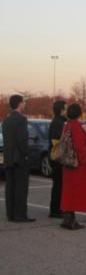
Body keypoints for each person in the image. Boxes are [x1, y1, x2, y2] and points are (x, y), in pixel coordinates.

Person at [2, 95, 34, 223]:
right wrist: (27, 153)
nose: (24, 104)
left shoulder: (7, 120)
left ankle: (11, 214)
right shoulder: (21, 119)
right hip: (19, 158)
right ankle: (20, 214)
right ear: (19, 104)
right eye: (24, 102)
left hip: (9, 157)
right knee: (21, 187)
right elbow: (22, 140)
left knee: (10, 186)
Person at [61, 104, 86, 229]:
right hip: (77, 165)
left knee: (68, 191)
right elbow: (79, 147)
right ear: (79, 113)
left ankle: (68, 218)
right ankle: (70, 220)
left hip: (68, 163)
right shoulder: (76, 127)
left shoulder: (67, 125)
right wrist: (85, 161)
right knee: (75, 192)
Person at [47, 100, 67, 219]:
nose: (67, 110)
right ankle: (55, 210)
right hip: (57, 157)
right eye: (65, 108)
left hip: (56, 156)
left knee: (59, 184)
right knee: (58, 184)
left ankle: (57, 208)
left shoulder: (59, 121)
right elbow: (59, 141)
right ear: (61, 110)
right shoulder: (58, 123)